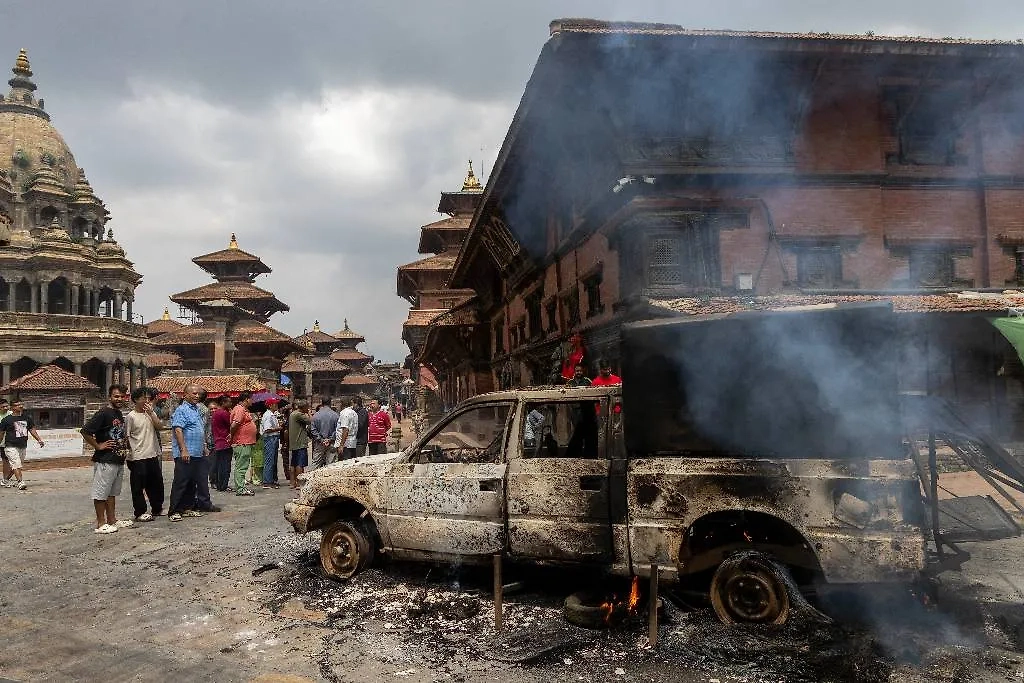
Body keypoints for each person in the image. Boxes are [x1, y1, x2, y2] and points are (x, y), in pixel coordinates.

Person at [81, 385, 129, 533]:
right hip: (105, 459)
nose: (119, 399)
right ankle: (101, 523)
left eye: (122, 396)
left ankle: (112, 519)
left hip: (117, 458)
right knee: (101, 492)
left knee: (112, 492)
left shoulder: (118, 414)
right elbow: (86, 431)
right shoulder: (103, 413)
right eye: (116, 396)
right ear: (110, 397)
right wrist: (98, 445)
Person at [167, 384, 209, 521]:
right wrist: (183, 449)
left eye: (198, 394)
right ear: (185, 395)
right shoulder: (182, 410)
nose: (197, 396)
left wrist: (203, 446)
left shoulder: (196, 409)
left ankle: (187, 507)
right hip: (186, 452)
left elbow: (198, 429)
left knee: (192, 482)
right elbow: (178, 429)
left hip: (197, 452)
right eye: (194, 394)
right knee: (181, 482)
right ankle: (174, 510)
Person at [124, 386, 165, 521]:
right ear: (136, 400)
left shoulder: (150, 413)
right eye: (143, 398)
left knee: (156, 483)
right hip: (137, 456)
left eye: (148, 398)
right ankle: (140, 511)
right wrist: (131, 452)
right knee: (138, 486)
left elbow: (160, 427)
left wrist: (152, 413)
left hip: (152, 453)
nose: (146, 401)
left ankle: (157, 508)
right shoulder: (131, 416)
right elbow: (127, 436)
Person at [0, 399, 44, 491]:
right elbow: (1, 433)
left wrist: (39, 439)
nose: (20, 406)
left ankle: (5, 480)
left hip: (23, 445)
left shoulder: (27, 418)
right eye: (17, 405)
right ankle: (20, 482)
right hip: (10, 445)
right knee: (16, 464)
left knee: (17, 465)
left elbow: (32, 430)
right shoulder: (6, 420)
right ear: (12, 407)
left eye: (21, 404)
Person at [229, 391, 258, 496]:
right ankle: (240, 489)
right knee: (241, 467)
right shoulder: (240, 409)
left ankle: (241, 487)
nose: (252, 401)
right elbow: (234, 425)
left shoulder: (243, 410)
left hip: (245, 442)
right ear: (246, 399)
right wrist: (231, 435)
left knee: (242, 466)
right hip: (242, 442)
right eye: (251, 399)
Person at [210, 395, 233, 491]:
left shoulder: (216, 413)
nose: (230, 404)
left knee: (220, 465)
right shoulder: (223, 413)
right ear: (223, 403)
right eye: (229, 402)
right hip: (225, 441)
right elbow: (231, 424)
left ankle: (220, 484)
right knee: (225, 466)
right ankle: (223, 485)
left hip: (218, 441)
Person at [309, 397, 338, 470]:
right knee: (331, 465)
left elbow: (313, 430)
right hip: (331, 443)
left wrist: (321, 439)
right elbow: (337, 430)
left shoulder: (315, 415)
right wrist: (330, 439)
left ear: (322, 403)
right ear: (330, 403)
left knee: (316, 464)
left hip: (319, 443)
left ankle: (314, 480)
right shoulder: (335, 415)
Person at [288, 400, 310, 490]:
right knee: (300, 464)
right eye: (307, 407)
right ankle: (299, 483)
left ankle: (292, 482)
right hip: (300, 442)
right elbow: (310, 421)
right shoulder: (299, 414)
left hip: (294, 442)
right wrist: (308, 413)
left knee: (293, 463)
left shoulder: (293, 413)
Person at [260, 400, 282, 488]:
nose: (276, 405)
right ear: (270, 406)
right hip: (270, 438)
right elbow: (267, 429)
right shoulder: (268, 415)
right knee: (269, 460)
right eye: (275, 404)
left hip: (273, 438)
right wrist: (278, 428)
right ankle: (267, 481)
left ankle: (272, 479)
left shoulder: (273, 415)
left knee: (273, 460)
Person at [335, 396, 359, 460]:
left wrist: (341, 445)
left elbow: (345, 429)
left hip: (345, 445)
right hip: (352, 443)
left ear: (341, 403)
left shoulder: (344, 413)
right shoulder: (354, 413)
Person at [0, 398, 14, 488]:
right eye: (3, 407)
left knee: (7, 462)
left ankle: (5, 480)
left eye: (6, 406)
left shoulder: (12, 414)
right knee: (6, 462)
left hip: (7, 442)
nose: (5, 408)